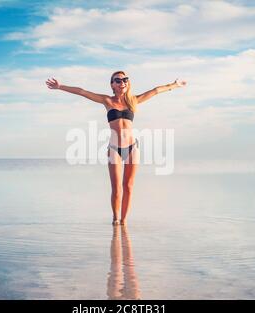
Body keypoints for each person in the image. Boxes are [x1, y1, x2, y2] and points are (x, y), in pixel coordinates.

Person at [46, 71, 186, 225]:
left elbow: (156, 90)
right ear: (112, 84)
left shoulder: (133, 101)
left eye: (125, 79)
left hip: (132, 148)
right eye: (118, 80)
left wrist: (174, 85)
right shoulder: (107, 101)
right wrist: (60, 87)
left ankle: (124, 221)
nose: (122, 82)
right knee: (117, 188)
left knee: (129, 186)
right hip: (114, 149)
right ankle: (115, 218)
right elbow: (82, 92)